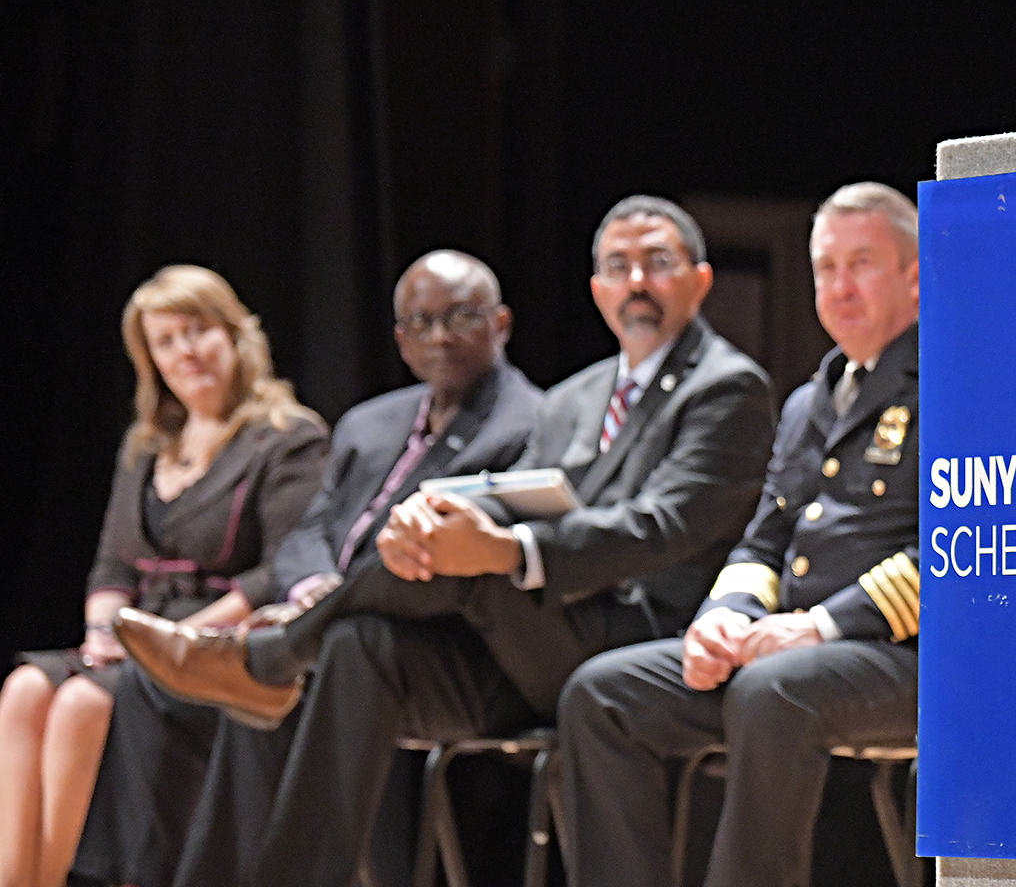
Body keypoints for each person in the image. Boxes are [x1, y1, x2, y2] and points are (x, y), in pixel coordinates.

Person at [118, 196, 775, 887]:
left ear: (700, 281)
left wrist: (504, 551)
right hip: (537, 645)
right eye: (619, 266)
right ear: (597, 289)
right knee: (361, 642)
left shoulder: (726, 387)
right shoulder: (576, 395)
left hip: (637, 646)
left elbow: (662, 527)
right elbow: (504, 497)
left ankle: (272, 657)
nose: (636, 281)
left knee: (474, 565)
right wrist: (434, 526)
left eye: (658, 263)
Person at [70, 250, 542, 887]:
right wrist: (315, 586)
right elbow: (310, 532)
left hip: (449, 647)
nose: (441, 335)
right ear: (399, 339)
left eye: (461, 316)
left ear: (502, 323)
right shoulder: (369, 424)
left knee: (310, 657)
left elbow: (477, 562)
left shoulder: (532, 422)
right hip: (345, 630)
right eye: (421, 321)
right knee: (288, 675)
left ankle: (269, 654)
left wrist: (309, 616)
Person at [559, 182, 922, 887]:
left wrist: (817, 626)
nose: (840, 287)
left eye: (862, 264)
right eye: (826, 269)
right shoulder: (806, 403)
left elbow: (953, 553)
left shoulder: (952, 383)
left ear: (914, 274)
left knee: (770, 689)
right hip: (785, 648)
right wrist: (723, 619)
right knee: (601, 696)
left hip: (905, 657)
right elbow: (765, 541)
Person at [0, 266, 327, 887]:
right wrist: (105, 629)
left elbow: (280, 569)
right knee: (22, 690)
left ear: (235, 336)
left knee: (77, 704)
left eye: (197, 331)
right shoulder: (147, 445)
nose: (185, 352)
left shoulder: (287, 438)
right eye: (166, 340)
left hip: (216, 647)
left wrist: (173, 638)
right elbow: (113, 564)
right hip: (131, 634)